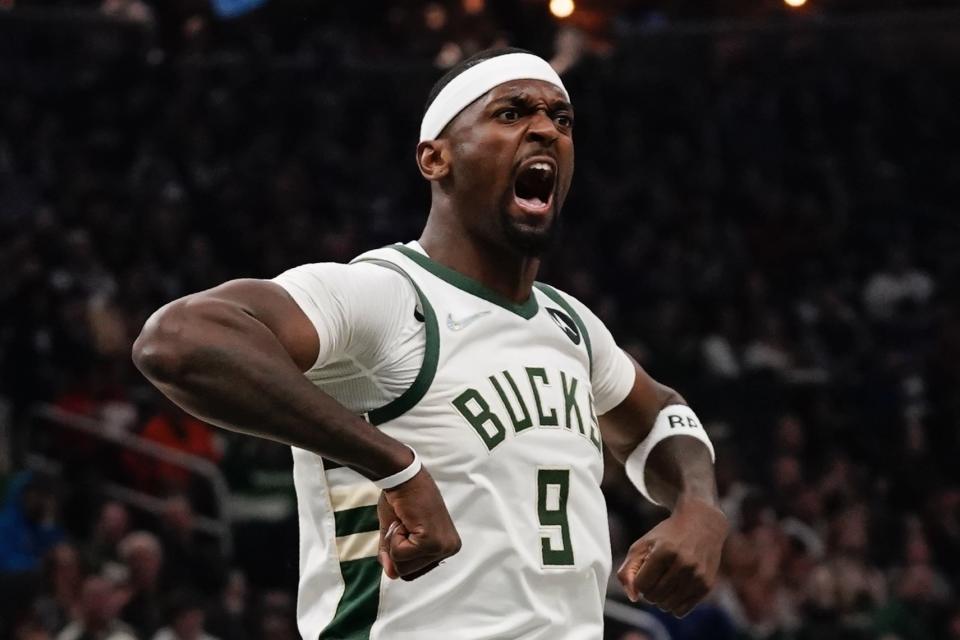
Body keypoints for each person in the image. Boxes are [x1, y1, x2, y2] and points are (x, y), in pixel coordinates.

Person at [133, 48, 729, 639]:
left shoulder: (569, 323)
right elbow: (179, 339)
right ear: (435, 157)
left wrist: (700, 508)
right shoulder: (386, 294)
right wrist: (396, 467)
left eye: (561, 118)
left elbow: (663, 417)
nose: (546, 129)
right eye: (512, 113)